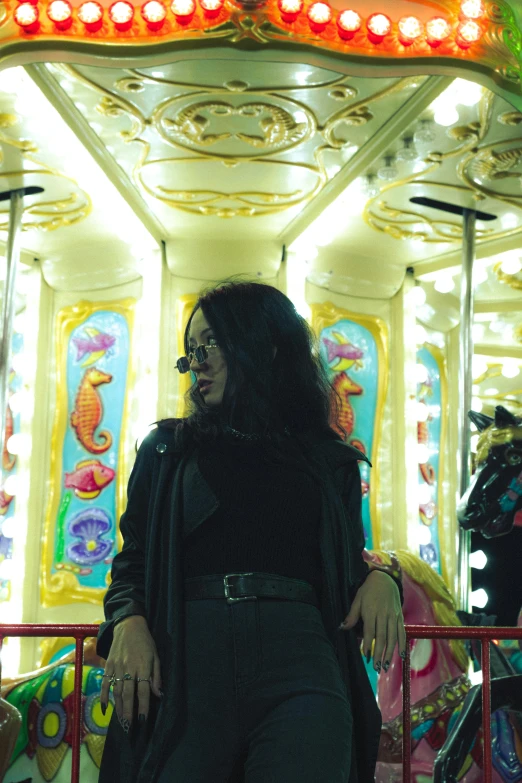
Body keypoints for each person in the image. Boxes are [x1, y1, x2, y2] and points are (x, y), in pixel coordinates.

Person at [97, 278, 406, 783]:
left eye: (212, 342)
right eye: (191, 348)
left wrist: (382, 579)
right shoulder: (167, 451)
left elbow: (346, 564)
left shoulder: (329, 462)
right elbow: (133, 562)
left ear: (266, 342)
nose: (197, 360)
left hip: (299, 658)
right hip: (192, 662)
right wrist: (128, 622)